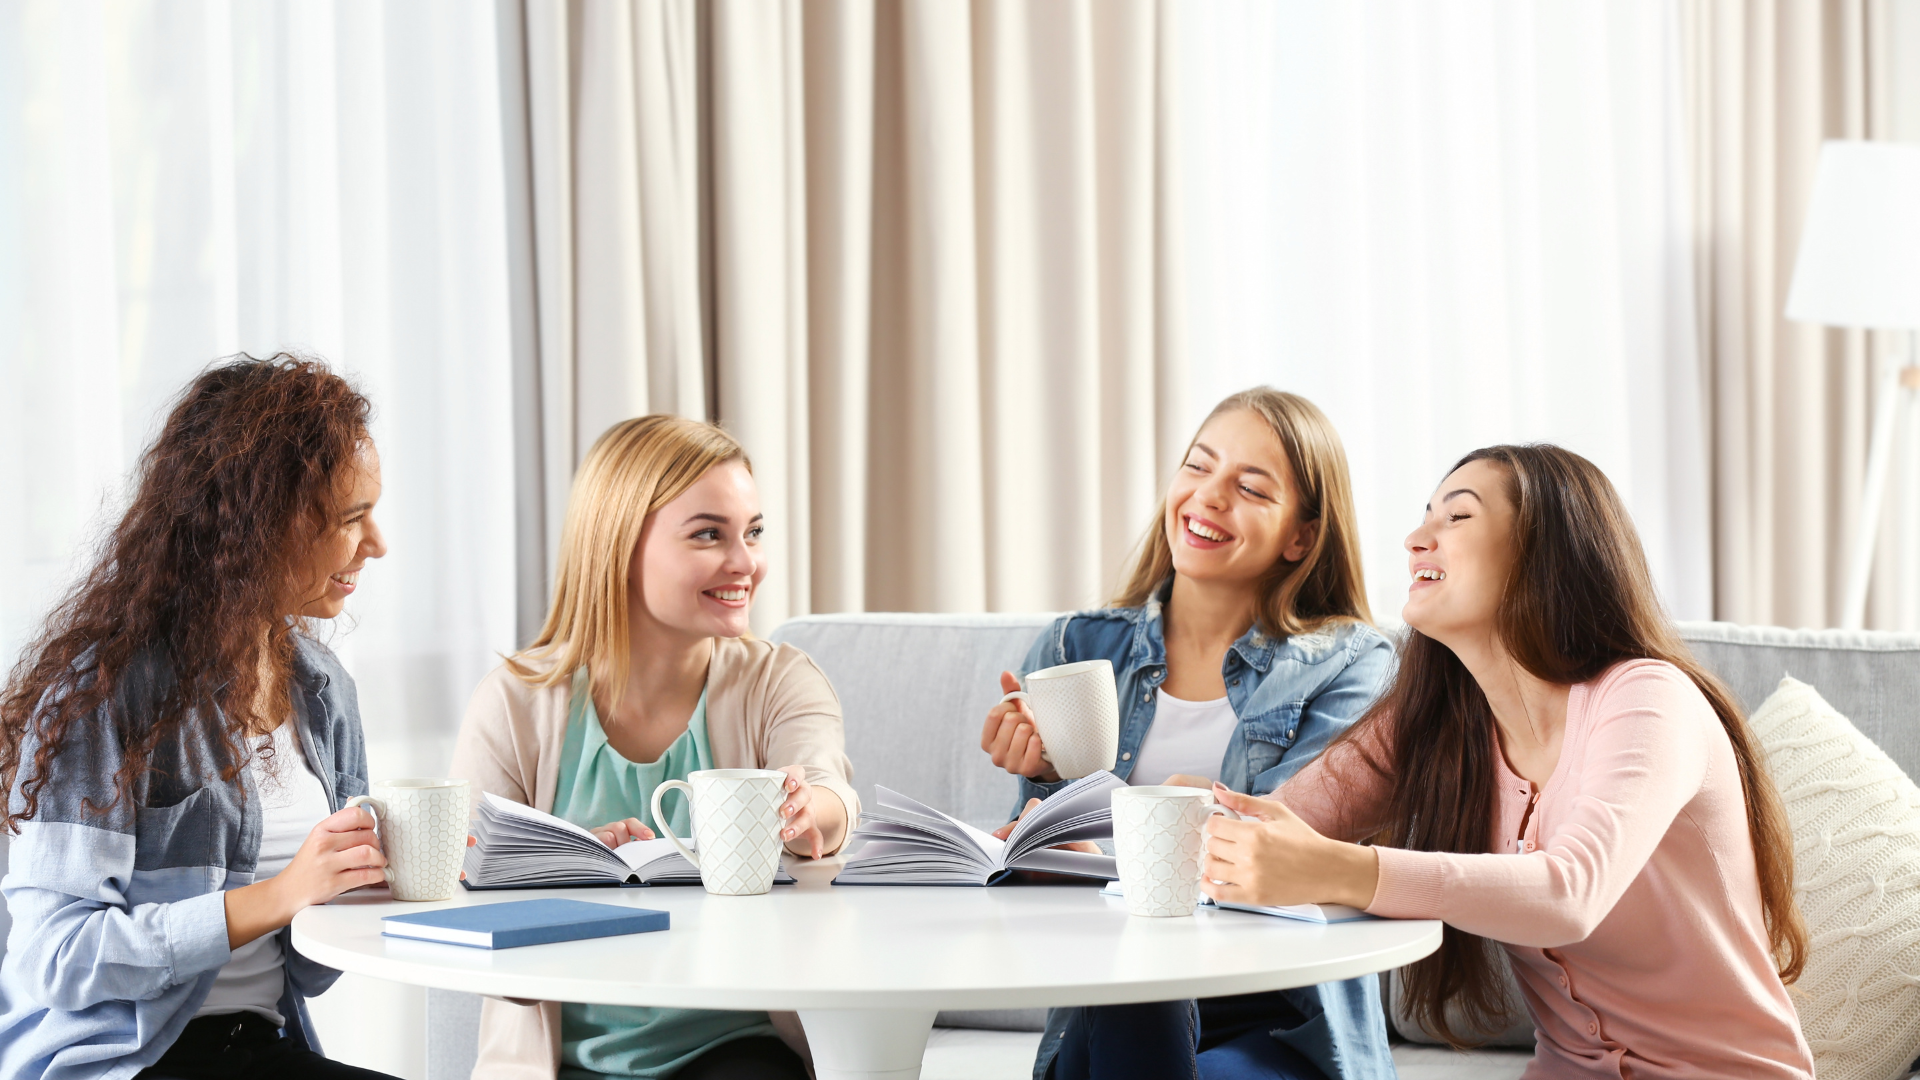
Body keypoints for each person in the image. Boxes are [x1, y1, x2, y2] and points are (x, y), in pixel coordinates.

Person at [1202, 444, 1815, 1078]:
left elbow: (1571, 893)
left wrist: (1342, 870)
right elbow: (1277, 827)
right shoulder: (1436, 721)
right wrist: (1138, 833)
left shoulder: (1646, 697)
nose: (1416, 539)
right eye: (1424, 517)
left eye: (1457, 519)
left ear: (1543, 555)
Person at [980, 388, 1397, 1080]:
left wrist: (1194, 812)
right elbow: (1063, 876)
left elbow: (1287, 845)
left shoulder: (1351, 661)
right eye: (1198, 467)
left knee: (1147, 967)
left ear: (1301, 536)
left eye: (1250, 488)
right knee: (1139, 966)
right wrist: (1046, 801)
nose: (1208, 497)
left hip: (1279, 1016)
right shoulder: (1074, 646)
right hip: (1114, 1000)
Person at [0, 356, 395, 1080]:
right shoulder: (103, 694)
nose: (377, 544)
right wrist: (277, 896)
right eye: (350, 519)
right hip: (119, 1064)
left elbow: (306, 967)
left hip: (262, 1048)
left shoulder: (324, 691)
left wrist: (376, 881)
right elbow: (52, 959)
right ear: (258, 525)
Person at [451, 415, 858, 1080]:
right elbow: (465, 887)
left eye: (752, 532)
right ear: (619, 543)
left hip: (734, 1050)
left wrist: (812, 809)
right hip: (557, 1063)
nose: (745, 563)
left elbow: (830, 786)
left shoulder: (780, 680)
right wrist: (574, 871)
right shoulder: (514, 703)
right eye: (709, 535)